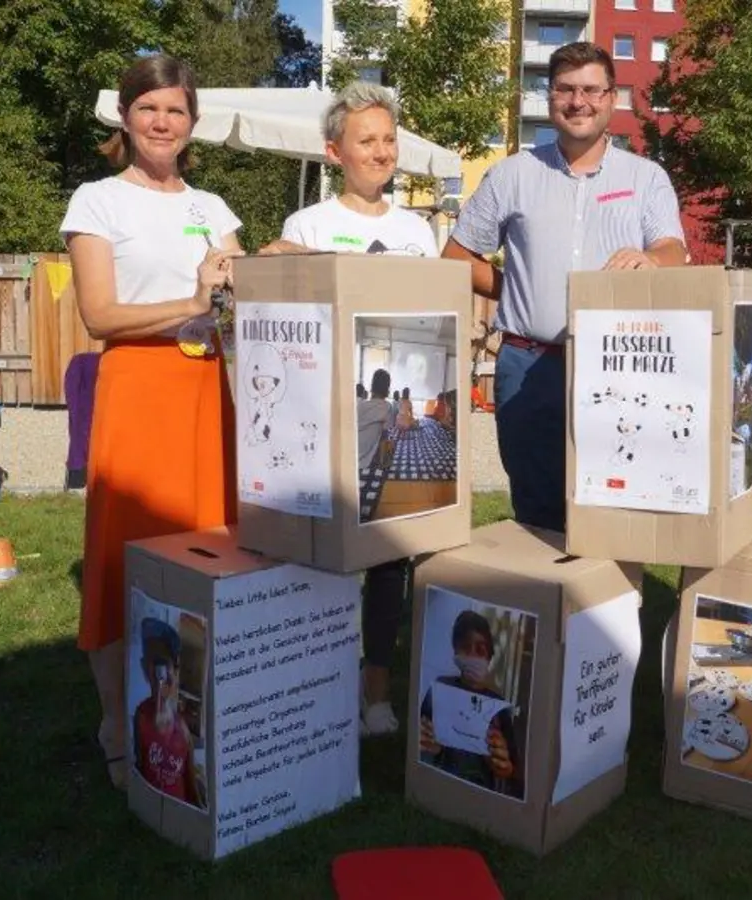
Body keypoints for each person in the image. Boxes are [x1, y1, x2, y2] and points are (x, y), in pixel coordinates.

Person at [59, 54, 243, 789]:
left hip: (210, 391)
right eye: (149, 108)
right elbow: (99, 315)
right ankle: (113, 719)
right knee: (119, 555)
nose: (163, 122)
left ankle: (199, 711)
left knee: (214, 544)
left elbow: (238, 301)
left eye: (176, 110)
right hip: (139, 389)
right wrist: (194, 303)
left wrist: (234, 297)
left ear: (192, 123)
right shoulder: (97, 201)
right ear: (126, 118)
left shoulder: (214, 207)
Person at [444, 41, 688, 533]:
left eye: (591, 90)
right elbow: (456, 256)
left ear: (611, 97)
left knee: (616, 503)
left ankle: (606, 603)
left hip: (619, 365)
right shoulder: (512, 174)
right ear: (549, 95)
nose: (579, 101)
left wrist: (648, 259)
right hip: (527, 363)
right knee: (535, 508)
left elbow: (674, 251)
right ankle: (542, 603)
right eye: (566, 89)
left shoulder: (646, 178)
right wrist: (515, 287)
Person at [258, 83, 439, 737]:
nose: (382, 151)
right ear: (335, 151)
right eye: (367, 140)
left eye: (389, 139)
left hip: (389, 413)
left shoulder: (418, 230)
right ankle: (322, 682)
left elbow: (435, 315)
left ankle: (377, 694)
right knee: (323, 555)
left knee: (389, 559)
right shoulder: (305, 226)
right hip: (323, 418)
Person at [418, 610, 521, 798]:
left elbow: (513, 770)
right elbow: (421, 741)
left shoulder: (499, 707)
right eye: (465, 648)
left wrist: (504, 767)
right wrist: (427, 745)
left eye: (480, 649)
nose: (472, 655)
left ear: (489, 655)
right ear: (455, 653)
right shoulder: (439, 690)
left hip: (481, 792)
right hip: (442, 785)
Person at [132, 618, 201, 807]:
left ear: (175, 670)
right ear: (144, 667)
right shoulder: (141, 715)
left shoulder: (183, 730)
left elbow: (191, 783)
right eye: (151, 664)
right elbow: (139, 761)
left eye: (162, 665)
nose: (157, 673)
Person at [357, 369, 396, 469]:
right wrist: (382, 461)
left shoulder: (360, 405)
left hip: (348, 455)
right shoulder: (387, 407)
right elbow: (384, 437)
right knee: (391, 443)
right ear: (387, 388)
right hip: (364, 461)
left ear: (372, 386)